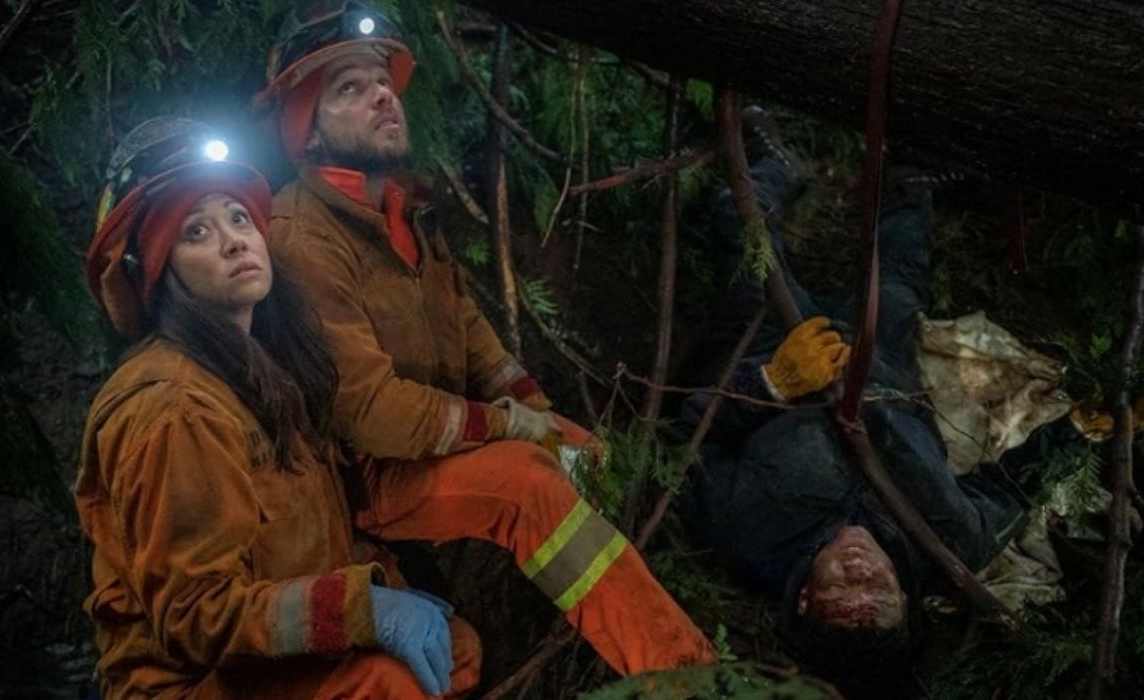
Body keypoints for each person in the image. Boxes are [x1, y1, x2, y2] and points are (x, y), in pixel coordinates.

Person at [253, 0, 716, 675]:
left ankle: (617, 633)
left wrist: (539, 413)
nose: (382, 95)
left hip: (432, 445)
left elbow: (469, 331)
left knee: (583, 455)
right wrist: (505, 426)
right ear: (308, 131)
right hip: (367, 478)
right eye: (349, 88)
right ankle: (684, 674)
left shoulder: (402, 210)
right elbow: (373, 413)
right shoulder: (302, 238)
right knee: (529, 487)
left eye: (381, 79)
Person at [680, 107, 1144, 694]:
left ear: (804, 598)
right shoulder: (951, 547)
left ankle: (774, 163)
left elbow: (687, 442)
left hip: (773, 344)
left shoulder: (746, 532)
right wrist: (1082, 429)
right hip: (886, 368)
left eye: (841, 589)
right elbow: (1010, 488)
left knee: (740, 229)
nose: (860, 569)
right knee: (896, 282)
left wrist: (771, 383)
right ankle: (910, 184)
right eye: (878, 588)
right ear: (908, 600)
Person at [77, 116, 482, 699]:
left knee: (455, 653)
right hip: (188, 686)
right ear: (159, 274)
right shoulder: (173, 408)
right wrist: (364, 610)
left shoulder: (261, 370)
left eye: (239, 217)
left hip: (262, 664)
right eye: (196, 232)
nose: (234, 240)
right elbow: (195, 618)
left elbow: (307, 540)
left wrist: (384, 589)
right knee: (388, 684)